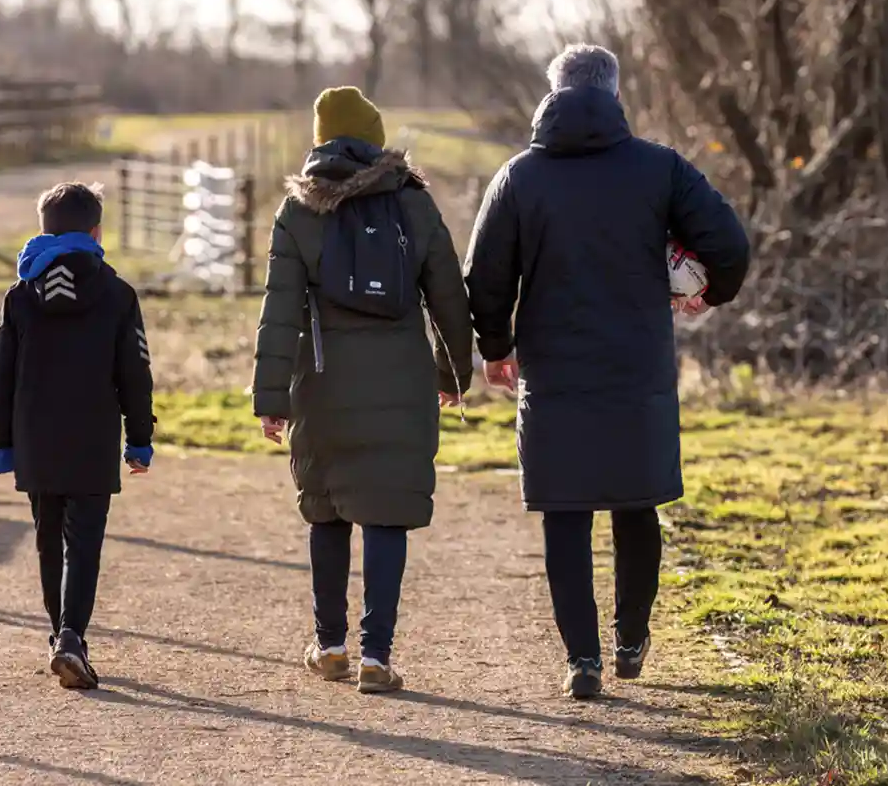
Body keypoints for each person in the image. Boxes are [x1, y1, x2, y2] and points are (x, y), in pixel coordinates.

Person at [464, 44, 751, 700]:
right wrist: (710, 292)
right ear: (615, 95)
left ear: (553, 95)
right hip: (636, 370)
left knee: (565, 513)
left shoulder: (519, 177)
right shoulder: (659, 169)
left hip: (554, 374)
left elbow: (483, 277)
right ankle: (630, 638)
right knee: (635, 502)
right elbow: (729, 244)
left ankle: (583, 661)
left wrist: (497, 345)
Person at [252, 86, 473, 695]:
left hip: (321, 386)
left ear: (319, 139)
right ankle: (377, 657)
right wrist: (454, 374)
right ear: (376, 137)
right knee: (386, 514)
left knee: (327, 510)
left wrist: (271, 399)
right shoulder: (414, 202)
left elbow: (279, 314)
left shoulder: (299, 210)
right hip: (402, 383)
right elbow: (449, 296)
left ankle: (329, 645)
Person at [0, 182, 155, 690]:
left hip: (36, 438)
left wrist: (1, 443)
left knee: (47, 542)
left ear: (43, 231)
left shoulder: (19, 297)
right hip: (93, 438)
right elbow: (136, 373)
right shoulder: (117, 293)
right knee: (84, 545)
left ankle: (60, 635)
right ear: (96, 231)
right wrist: (139, 439)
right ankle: (71, 637)